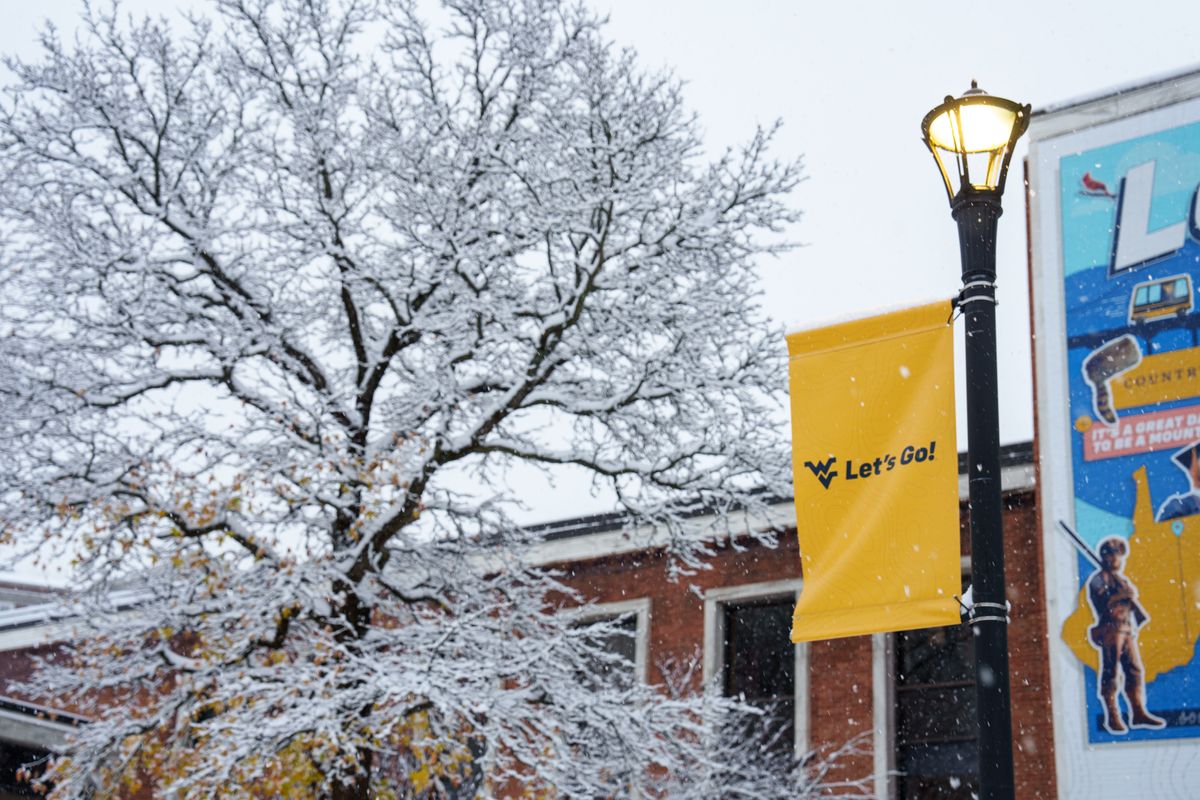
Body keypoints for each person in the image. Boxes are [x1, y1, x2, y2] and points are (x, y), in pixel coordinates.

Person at [1087, 537, 1166, 734]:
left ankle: (1138, 712)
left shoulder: (1121, 580)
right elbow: (1103, 603)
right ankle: (1112, 716)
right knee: (1111, 673)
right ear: (1106, 557)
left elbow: (1127, 603)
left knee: (1134, 671)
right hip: (1110, 630)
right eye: (1113, 556)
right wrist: (1122, 595)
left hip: (1126, 629)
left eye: (1118, 556)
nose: (1117, 560)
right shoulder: (1099, 579)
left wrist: (1128, 596)